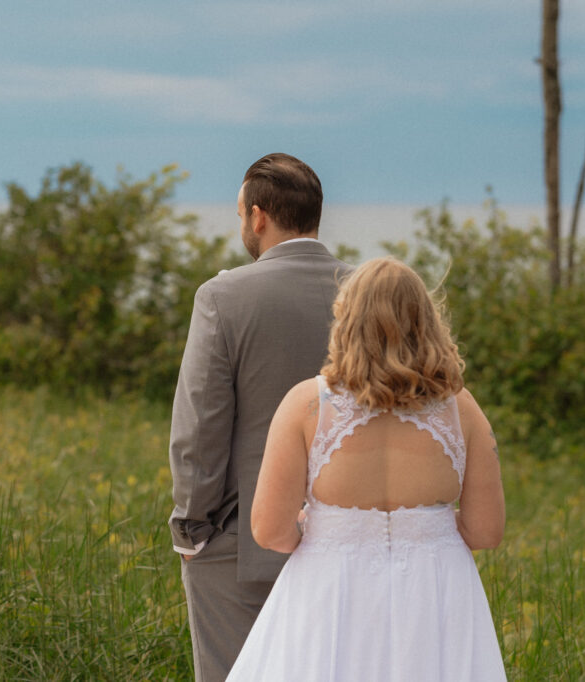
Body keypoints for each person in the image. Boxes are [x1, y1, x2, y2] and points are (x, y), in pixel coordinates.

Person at [227, 257, 507, 681]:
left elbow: (269, 530)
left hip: (331, 589)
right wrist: (425, 527)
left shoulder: (306, 406)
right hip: (434, 592)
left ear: (346, 320)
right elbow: (486, 531)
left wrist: (324, 528)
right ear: (426, 320)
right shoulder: (461, 408)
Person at [167, 153, 352, 682]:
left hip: (240, 541)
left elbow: (200, 427)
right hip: (348, 543)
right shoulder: (371, 294)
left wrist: (192, 531)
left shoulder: (223, 297)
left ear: (257, 216)